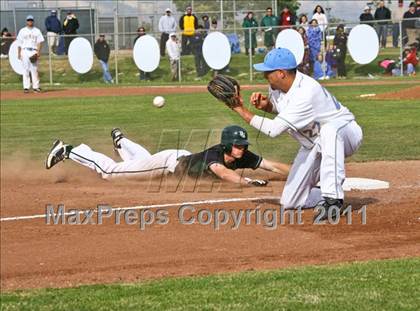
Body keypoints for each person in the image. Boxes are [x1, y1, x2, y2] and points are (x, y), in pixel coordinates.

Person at [229, 47, 363, 219]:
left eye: (267, 72)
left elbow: (273, 129)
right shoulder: (277, 88)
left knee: (329, 130)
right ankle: (323, 195)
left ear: (281, 73)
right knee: (290, 202)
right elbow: (284, 110)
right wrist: (268, 106)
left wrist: (239, 109)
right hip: (313, 145)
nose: (264, 76)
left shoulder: (305, 92)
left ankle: (333, 201)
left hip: (346, 134)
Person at [45, 126, 290, 188]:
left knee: (139, 164)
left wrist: (303, 173)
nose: (243, 149)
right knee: (111, 174)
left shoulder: (241, 155)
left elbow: (271, 165)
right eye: (238, 145)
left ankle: (122, 142)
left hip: (177, 159)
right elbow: (222, 173)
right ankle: (70, 149)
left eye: (244, 145)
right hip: (169, 164)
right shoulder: (217, 155)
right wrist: (246, 182)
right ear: (227, 145)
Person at [16, 15, 44, 93]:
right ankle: (26, 87)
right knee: (25, 69)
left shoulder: (37, 31)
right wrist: (19, 53)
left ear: (33, 21)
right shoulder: (22, 30)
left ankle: (36, 87)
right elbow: (19, 43)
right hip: (24, 51)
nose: (30, 21)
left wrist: (38, 52)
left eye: (31, 20)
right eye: (28, 20)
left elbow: (40, 42)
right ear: (26, 21)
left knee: (34, 69)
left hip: (33, 51)